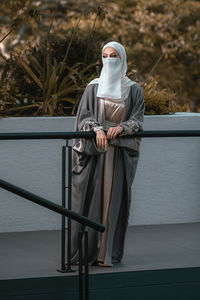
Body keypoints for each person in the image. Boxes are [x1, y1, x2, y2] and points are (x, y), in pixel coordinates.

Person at [71, 41, 145, 267]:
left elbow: (137, 119)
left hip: (118, 155)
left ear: (122, 59)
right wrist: (96, 129)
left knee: (114, 201)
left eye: (114, 55)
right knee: (90, 199)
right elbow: (83, 116)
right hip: (96, 152)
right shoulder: (93, 87)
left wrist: (122, 128)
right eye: (105, 55)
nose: (110, 59)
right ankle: (86, 253)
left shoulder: (133, 89)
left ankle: (106, 253)